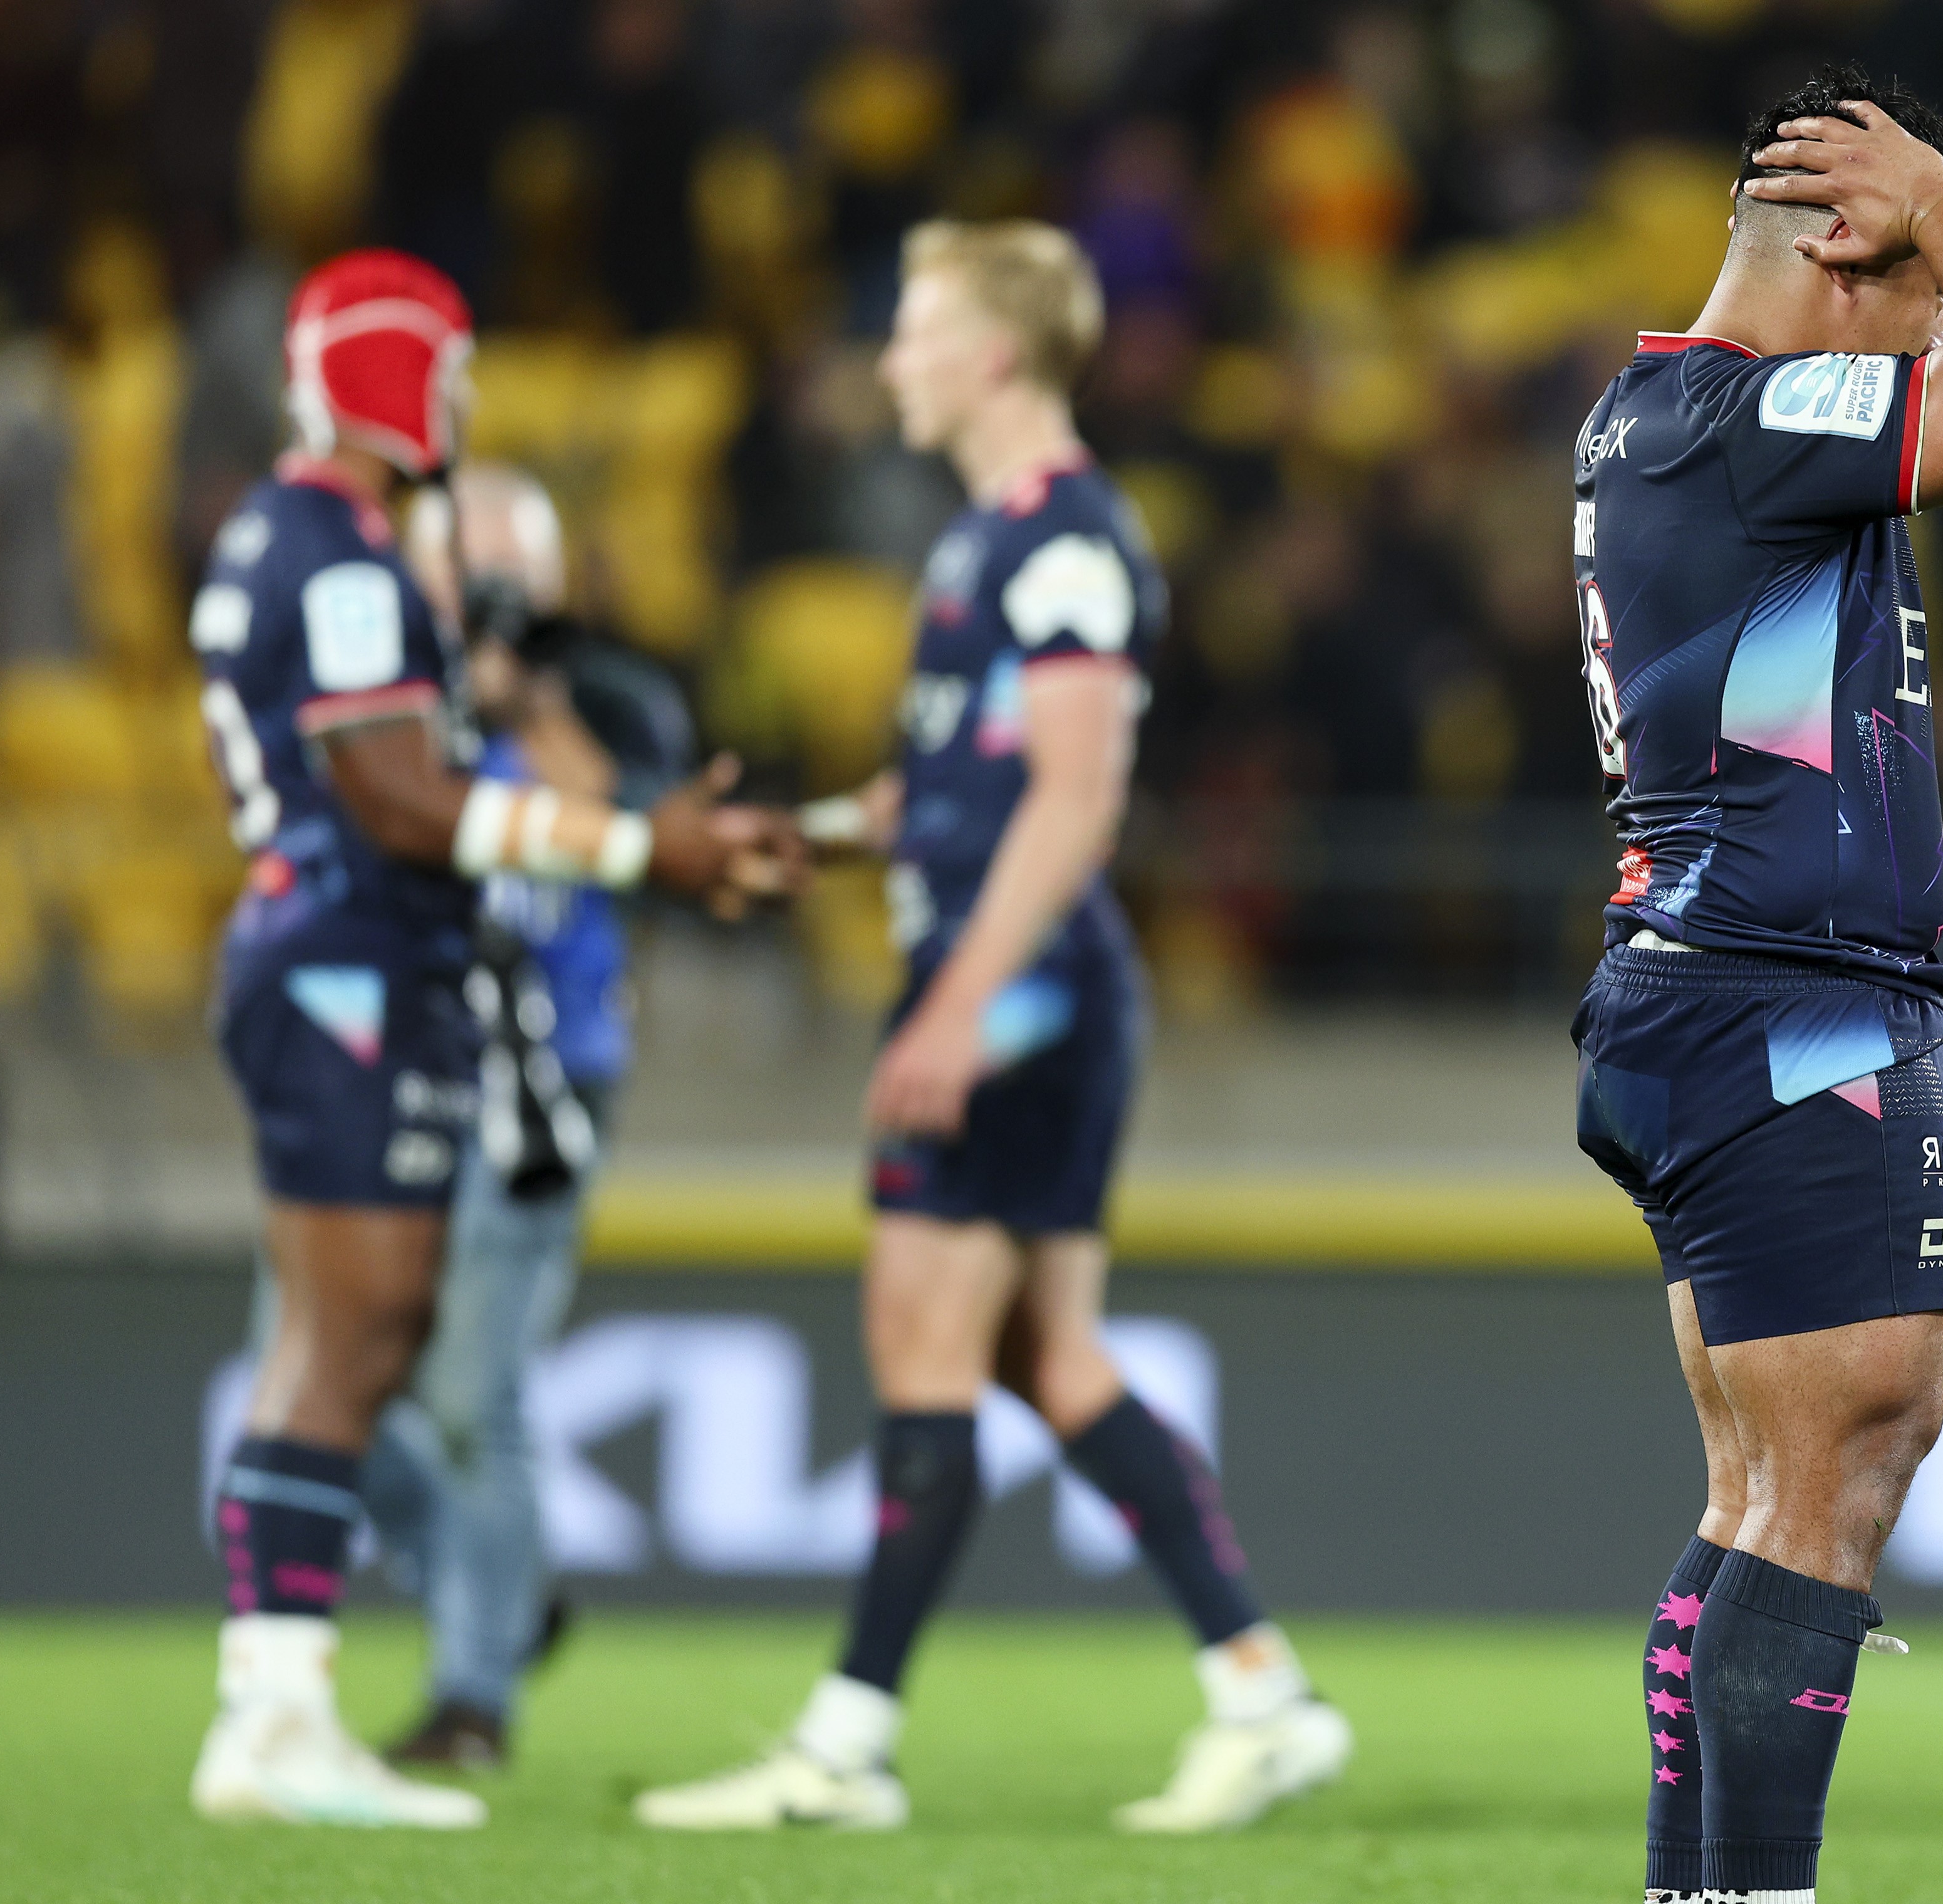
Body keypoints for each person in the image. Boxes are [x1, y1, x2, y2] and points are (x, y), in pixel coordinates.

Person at [633, 219, 1348, 1836]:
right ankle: (1262, 1692)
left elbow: (1079, 799)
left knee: (927, 1344)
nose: (889, 355)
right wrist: (819, 833)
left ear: (998, 354)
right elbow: (960, 791)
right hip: (1009, 983)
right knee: (1046, 1355)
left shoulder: (1071, 541)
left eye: (916, 325)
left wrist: (957, 1007)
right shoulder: (988, 544)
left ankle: (846, 1742)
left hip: (1018, 995)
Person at [1570, 66, 1943, 1903]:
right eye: (1918, 272)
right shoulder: (1741, 417)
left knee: (1761, 1494)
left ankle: (1697, 1894)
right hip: (1788, 1005)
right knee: (1838, 1470)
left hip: (1713, 992)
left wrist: (1937, 218)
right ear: (1844, 250)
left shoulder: (1666, 422)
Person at [192, 250, 798, 1828]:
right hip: (352, 969)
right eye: (446, 372)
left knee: (364, 1344)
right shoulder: (338, 553)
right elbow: (400, 797)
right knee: (352, 1347)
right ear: (395, 374)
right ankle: (279, 1713)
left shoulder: (297, 538)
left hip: (339, 964)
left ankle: (284, 1696)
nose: (459, 403)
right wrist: (630, 847)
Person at [239, 464, 689, 1772]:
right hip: (389, 1054)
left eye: (510, 565)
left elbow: (645, 839)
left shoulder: (610, 693)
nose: (486, 589)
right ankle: (502, 1581)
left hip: (541, 1076)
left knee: (463, 1386)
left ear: (554, 577)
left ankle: (474, 1695)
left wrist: (530, 701)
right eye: (466, 561)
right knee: (309, 1364)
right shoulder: (377, 678)